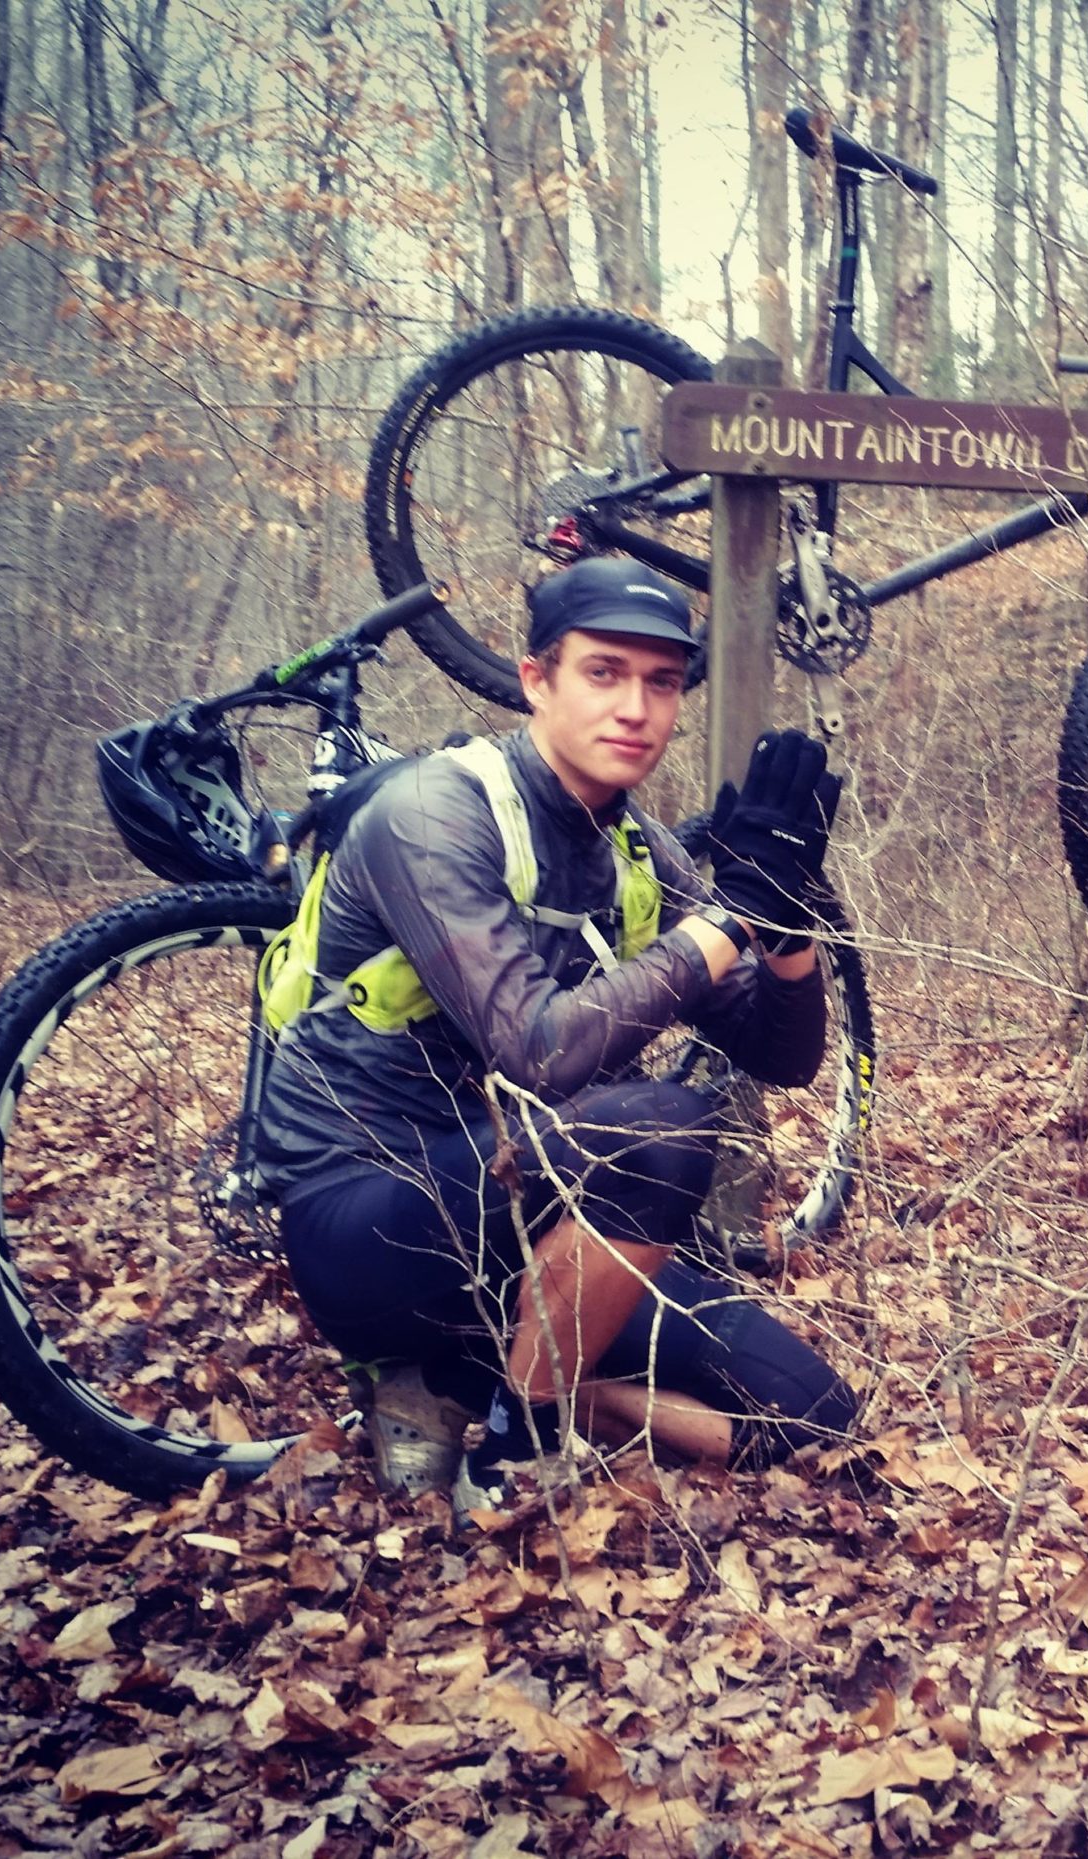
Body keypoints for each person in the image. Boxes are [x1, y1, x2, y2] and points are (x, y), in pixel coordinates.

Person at [252, 557, 860, 1510]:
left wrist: (784, 923)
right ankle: (514, 1452)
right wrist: (720, 923)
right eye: (604, 671)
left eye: (662, 681)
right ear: (537, 679)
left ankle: (477, 1380)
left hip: (533, 1232)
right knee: (663, 1128)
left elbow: (784, 1055)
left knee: (814, 1415)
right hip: (367, 1215)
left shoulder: (635, 851)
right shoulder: (433, 813)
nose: (637, 707)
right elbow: (538, 1049)